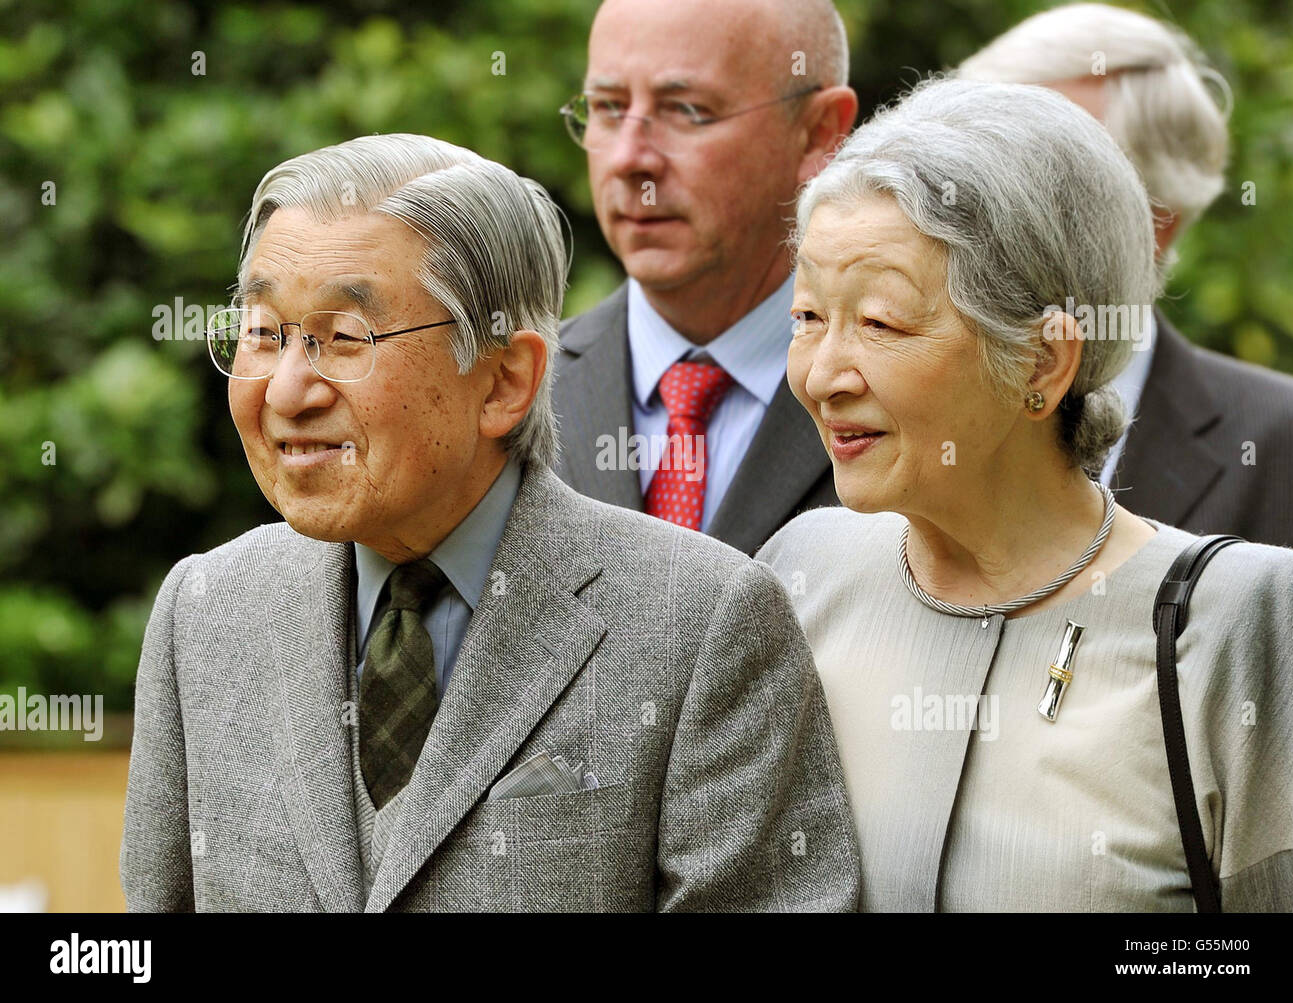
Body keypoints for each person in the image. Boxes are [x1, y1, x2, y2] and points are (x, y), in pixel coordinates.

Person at [120, 134, 860, 912]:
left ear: (506, 380)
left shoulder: (702, 622)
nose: (286, 390)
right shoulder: (204, 611)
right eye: (265, 334)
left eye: (344, 339)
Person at [758, 79, 1293, 911]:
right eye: (806, 317)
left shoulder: (1236, 617)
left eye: (881, 323)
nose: (823, 375)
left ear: (1044, 363)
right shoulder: (803, 572)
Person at [958, 2, 1293, 548]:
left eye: (1034, 178)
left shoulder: (1283, 445)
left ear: (1154, 222)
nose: (976, 209)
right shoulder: (873, 397)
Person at [552, 0, 859, 555]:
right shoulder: (507, 397)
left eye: (686, 110)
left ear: (817, 134)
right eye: (607, 107)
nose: (628, 159)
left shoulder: (909, 407)